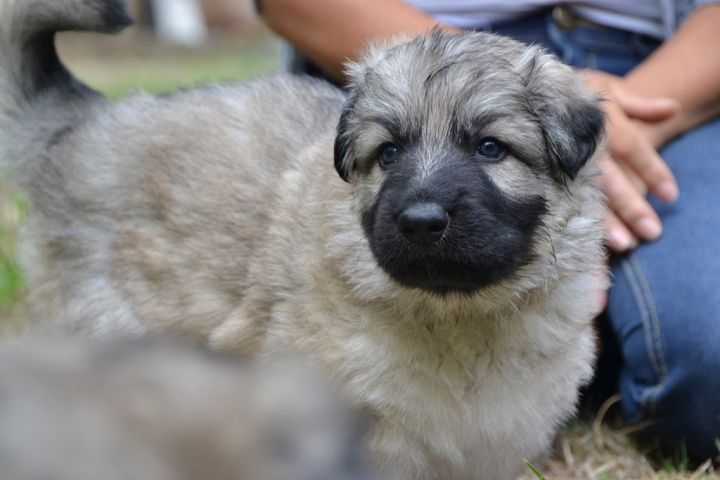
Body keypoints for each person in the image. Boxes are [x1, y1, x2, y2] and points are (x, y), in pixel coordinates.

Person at [255, 0, 720, 462]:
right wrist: (471, 74)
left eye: (491, 148)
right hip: (375, 40)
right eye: (390, 154)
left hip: (673, 66)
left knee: (707, 383)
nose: (423, 209)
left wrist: (631, 122)